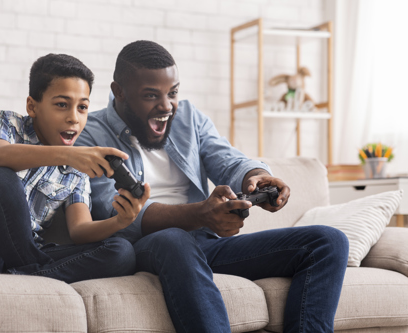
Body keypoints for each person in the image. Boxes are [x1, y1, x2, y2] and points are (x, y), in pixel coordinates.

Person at [75, 40, 350, 332]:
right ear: (119, 92)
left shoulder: (188, 118)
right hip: (143, 246)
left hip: (203, 244)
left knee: (327, 242)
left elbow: (226, 159)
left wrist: (255, 176)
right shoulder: (89, 134)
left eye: (173, 93)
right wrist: (200, 215)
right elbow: (111, 214)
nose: (166, 106)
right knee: (173, 239)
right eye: (151, 95)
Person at [0, 53, 150, 284]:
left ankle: (20, 278)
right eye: (62, 105)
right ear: (32, 106)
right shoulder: (7, 123)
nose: (74, 118)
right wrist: (70, 154)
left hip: (20, 256)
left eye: (82, 107)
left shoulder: (76, 171)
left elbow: (80, 230)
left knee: (121, 252)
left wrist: (121, 221)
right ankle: (36, 276)